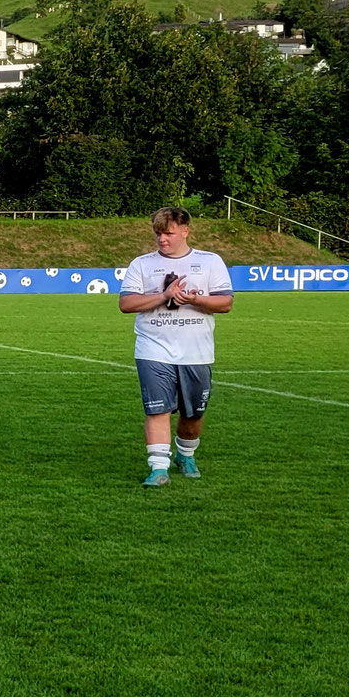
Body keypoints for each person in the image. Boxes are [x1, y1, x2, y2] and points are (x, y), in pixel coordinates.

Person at [119, 207, 234, 487]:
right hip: (153, 349)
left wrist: (196, 300)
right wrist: (164, 296)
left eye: (168, 233)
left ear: (185, 230)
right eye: (158, 233)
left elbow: (226, 303)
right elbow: (126, 304)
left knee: (192, 415)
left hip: (196, 351)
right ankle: (159, 470)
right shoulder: (142, 264)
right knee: (156, 410)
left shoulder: (210, 262)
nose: (162, 239)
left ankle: (185, 454)